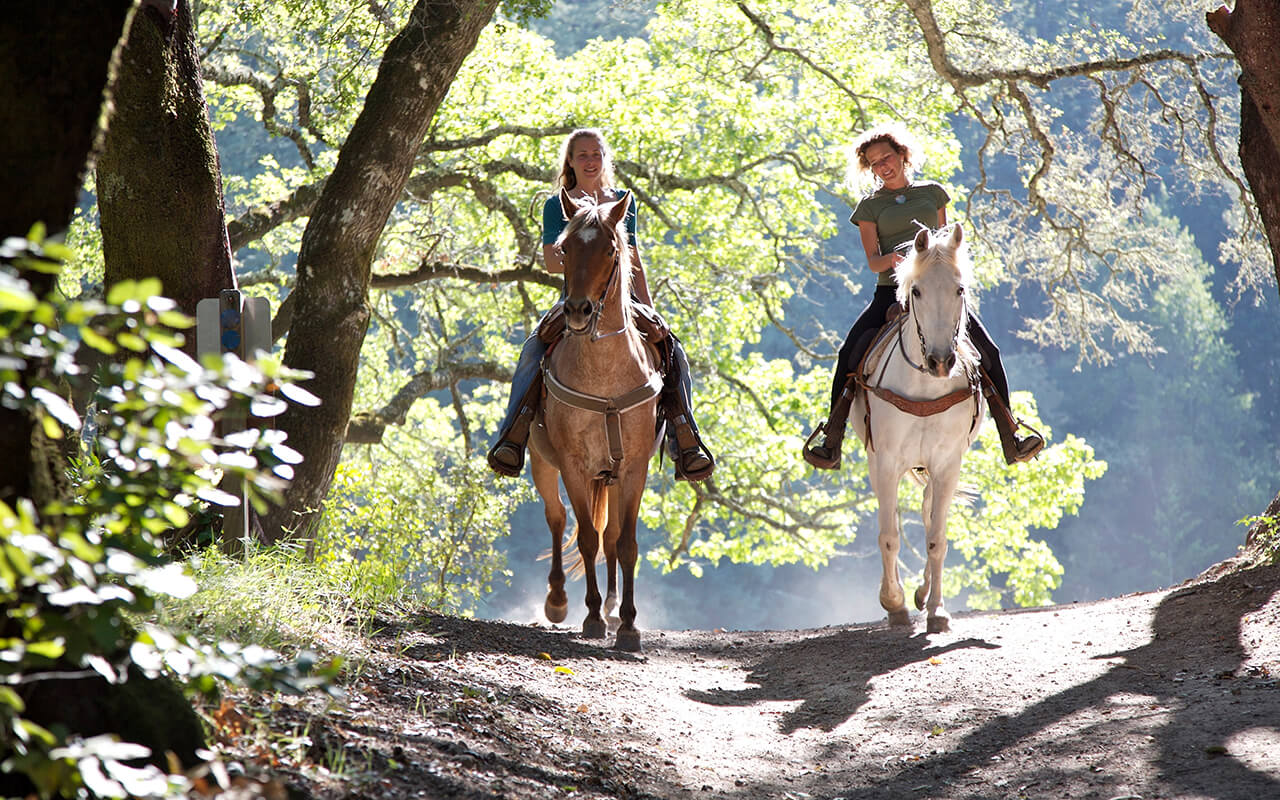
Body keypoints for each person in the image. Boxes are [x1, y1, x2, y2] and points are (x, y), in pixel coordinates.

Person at [802, 123, 1044, 469]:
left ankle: (1011, 432)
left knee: (989, 351)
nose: (882, 166)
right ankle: (833, 436)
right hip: (891, 293)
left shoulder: (933, 193)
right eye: (874, 163)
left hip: (937, 292)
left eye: (886, 157)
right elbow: (873, 262)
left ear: (902, 155)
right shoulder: (870, 207)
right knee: (849, 353)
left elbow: (946, 246)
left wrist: (936, 264)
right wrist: (905, 259)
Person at [487, 128, 715, 481]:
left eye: (596, 154)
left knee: (674, 351)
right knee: (533, 349)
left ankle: (684, 438)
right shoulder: (556, 204)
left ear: (605, 158)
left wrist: (650, 307)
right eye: (582, 155)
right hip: (576, 298)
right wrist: (583, 253)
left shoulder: (623, 200)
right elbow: (550, 263)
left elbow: (634, 258)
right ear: (571, 161)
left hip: (622, 299)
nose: (590, 161)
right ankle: (512, 436)